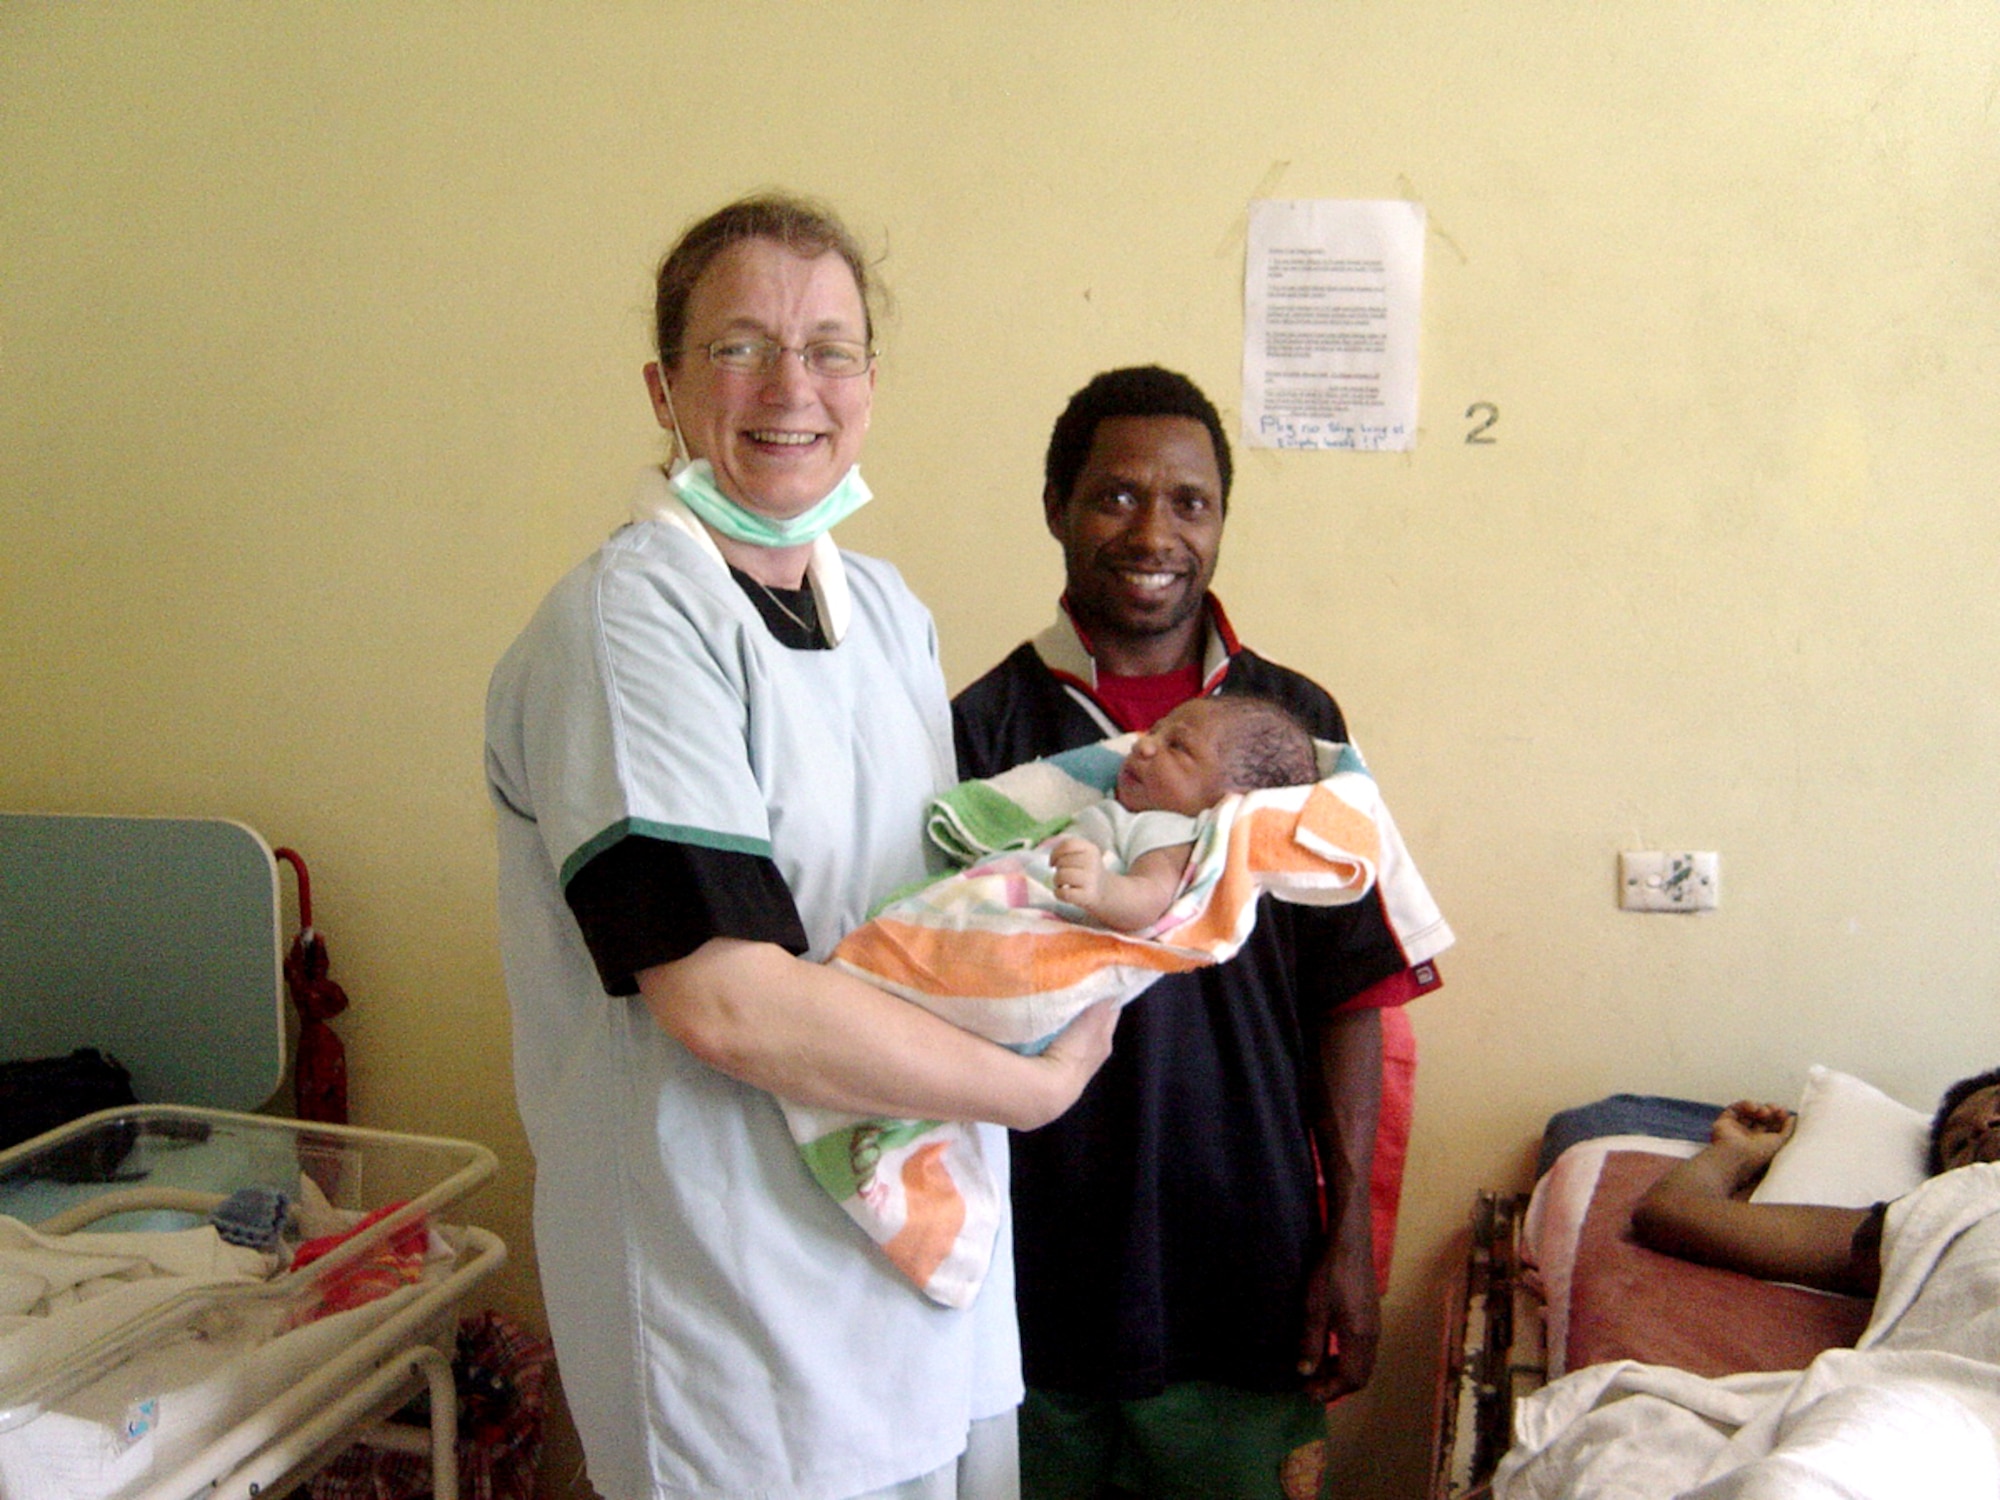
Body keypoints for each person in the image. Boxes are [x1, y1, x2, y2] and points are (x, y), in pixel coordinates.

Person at [485, 192, 1117, 1500]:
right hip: (732, 1304)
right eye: (740, 347)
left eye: (829, 348)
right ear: (665, 389)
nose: (792, 386)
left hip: (919, 1272)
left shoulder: (886, 614)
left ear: (871, 386)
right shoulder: (629, 623)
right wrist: (1036, 1090)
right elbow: (725, 1000)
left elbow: (925, 911)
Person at [952, 366, 1450, 1500]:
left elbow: (1351, 993)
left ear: (1220, 521)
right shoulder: (980, 732)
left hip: (1243, 1263)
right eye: (1115, 497)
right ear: (1055, 507)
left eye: (1189, 502)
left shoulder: (1295, 730)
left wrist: (1349, 1247)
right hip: (1027, 1269)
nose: (1154, 532)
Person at [1632, 1066, 2000, 1297]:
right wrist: (1735, 1154)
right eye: (1961, 1146)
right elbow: (1671, 1212)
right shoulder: (1937, 1219)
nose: (1983, 1126)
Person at [1050, 695, 1319, 933]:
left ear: (1227, 795)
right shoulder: (1123, 804)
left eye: (1177, 746)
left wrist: (1102, 889)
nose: (1143, 746)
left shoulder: (1167, 829)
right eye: (1154, 731)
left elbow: (1151, 898)